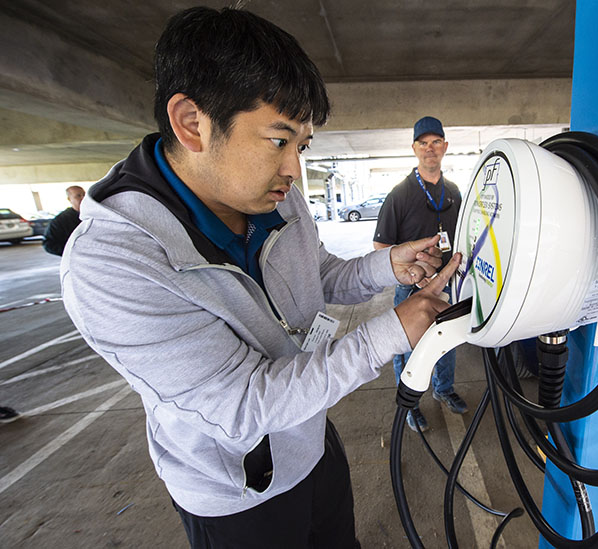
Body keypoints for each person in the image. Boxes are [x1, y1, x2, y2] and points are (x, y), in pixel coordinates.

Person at [59, 8, 460, 549]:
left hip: (312, 439)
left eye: (303, 146)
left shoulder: (279, 195)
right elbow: (244, 404)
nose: (295, 170)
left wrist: (387, 266)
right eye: (279, 140)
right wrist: (390, 332)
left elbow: (316, 273)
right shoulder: (113, 265)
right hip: (238, 493)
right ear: (191, 123)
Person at [373, 116, 466, 432]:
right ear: (414, 148)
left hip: (447, 285)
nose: (430, 149)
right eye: (423, 143)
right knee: (408, 347)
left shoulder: (453, 192)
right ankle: (409, 406)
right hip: (411, 288)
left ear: (445, 147)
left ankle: (444, 390)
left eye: (436, 142)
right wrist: (416, 277)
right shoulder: (400, 195)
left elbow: (464, 238)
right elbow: (380, 246)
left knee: (448, 343)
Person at [42, 185, 85, 256]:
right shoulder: (60, 221)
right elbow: (49, 244)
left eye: (84, 195)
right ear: (69, 199)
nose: (83, 198)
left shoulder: (94, 215)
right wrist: (71, 251)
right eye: (78, 196)